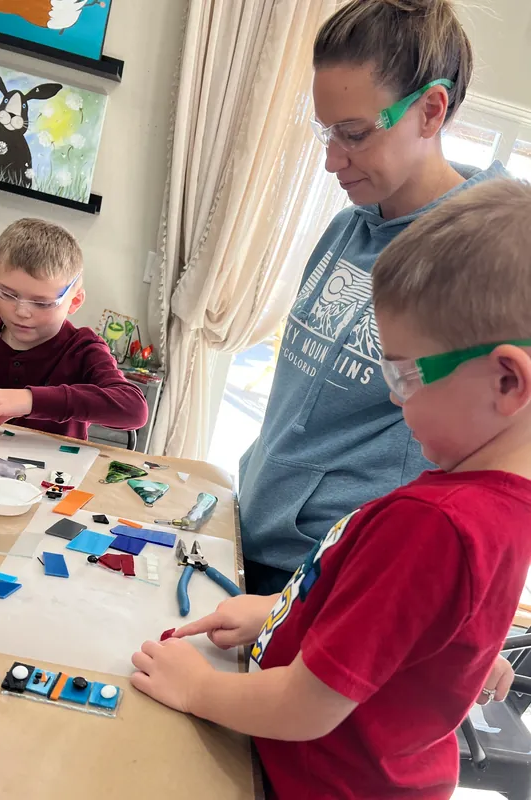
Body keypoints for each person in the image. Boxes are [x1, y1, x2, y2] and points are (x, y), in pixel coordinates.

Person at [131, 179, 531, 799]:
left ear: (507, 380)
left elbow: (305, 707)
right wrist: (279, 611)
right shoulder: (492, 505)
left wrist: (198, 688)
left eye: (404, 375)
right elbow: (404, 638)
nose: (394, 402)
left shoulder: (437, 523)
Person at [239, 0, 510, 595]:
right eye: (326, 132)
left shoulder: (492, 257)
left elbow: (496, 467)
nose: (333, 159)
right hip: (253, 536)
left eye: (355, 134)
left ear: (431, 110)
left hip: (341, 579)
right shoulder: (348, 226)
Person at [0, 218, 148, 440]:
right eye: (7, 293)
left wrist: (31, 400)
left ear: (74, 301)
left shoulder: (83, 350)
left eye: (42, 303)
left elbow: (134, 408)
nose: (22, 311)